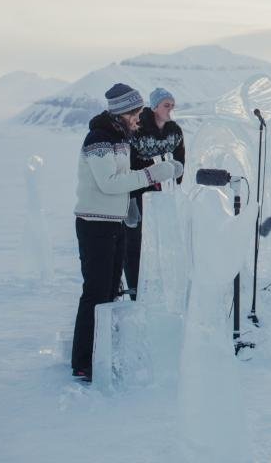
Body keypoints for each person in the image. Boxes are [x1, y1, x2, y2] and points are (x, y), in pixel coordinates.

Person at [71, 83, 182, 381]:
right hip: (95, 225)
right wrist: (151, 174)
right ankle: (84, 362)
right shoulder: (99, 140)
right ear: (122, 113)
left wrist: (155, 177)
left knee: (111, 291)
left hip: (114, 222)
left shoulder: (121, 139)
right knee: (95, 292)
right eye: (136, 112)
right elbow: (109, 182)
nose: (139, 118)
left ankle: (104, 351)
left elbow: (124, 179)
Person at [123, 87, 185, 300]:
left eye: (172, 105)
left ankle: (159, 284)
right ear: (154, 107)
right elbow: (128, 162)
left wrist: (177, 184)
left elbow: (180, 158)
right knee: (135, 239)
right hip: (135, 184)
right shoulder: (139, 128)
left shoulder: (174, 131)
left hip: (159, 186)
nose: (170, 109)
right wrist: (130, 199)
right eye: (166, 105)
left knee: (160, 237)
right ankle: (134, 288)